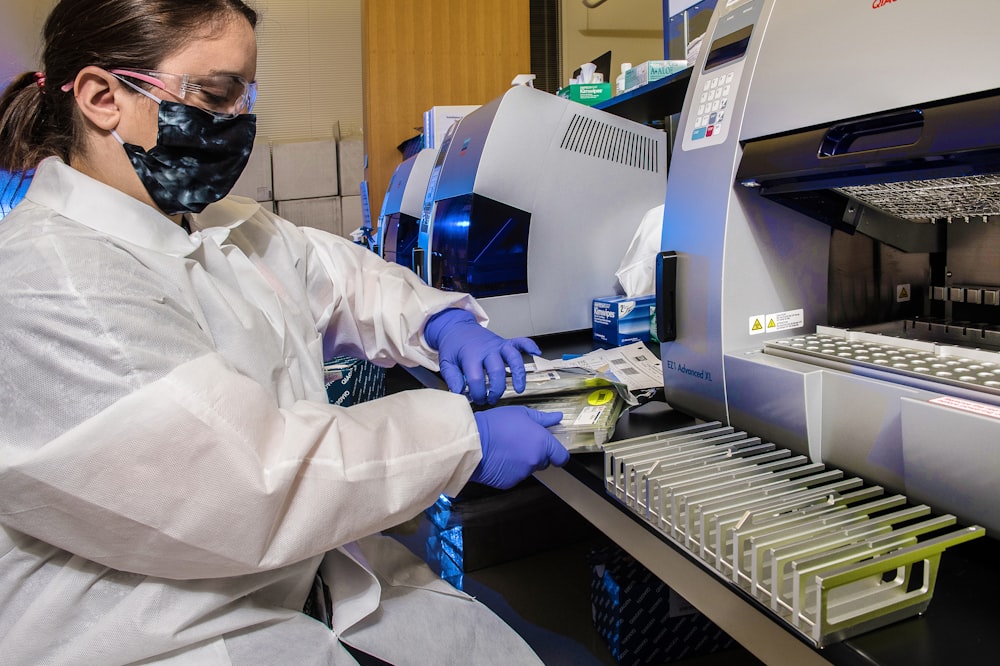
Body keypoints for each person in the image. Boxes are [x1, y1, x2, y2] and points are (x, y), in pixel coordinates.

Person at [0, 0, 571, 663]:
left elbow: (341, 276)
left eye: (247, 95)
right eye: (217, 94)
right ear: (102, 96)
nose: (239, 120)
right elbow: (242, 480)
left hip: (294, 587)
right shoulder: (48, 278)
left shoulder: (215, 224)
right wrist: (458, 440)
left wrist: (439, 322)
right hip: (158, 633)